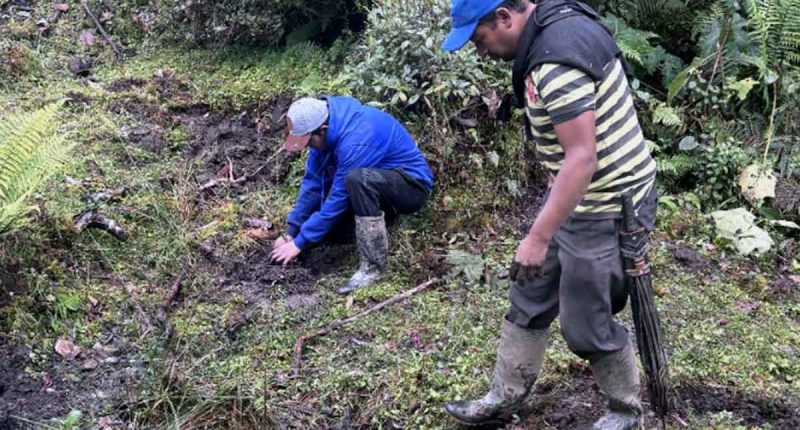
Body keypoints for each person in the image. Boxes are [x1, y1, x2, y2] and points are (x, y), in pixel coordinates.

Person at [440, 0, 658, 428]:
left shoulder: (555, 63)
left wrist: (538, 237)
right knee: (529, 292)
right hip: (576, 196)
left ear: (504, 17)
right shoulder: (553, 24)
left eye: (479, 39)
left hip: (608, 204)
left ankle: (625, 410)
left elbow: (581, 159)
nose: (480, 51)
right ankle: (504, 397)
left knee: (585, 322)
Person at [270, 96, 434, 295]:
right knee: (328, 231)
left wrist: (300, 243)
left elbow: (339, 197)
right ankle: (386, 220)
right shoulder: (324, 134)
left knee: (358, 179)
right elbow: (313, 184)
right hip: (377, 190)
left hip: (411, 187)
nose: (308, 147)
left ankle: (373, 268)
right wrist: (292, 233)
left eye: (309, 141)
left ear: (323, 130)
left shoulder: (358, 138)